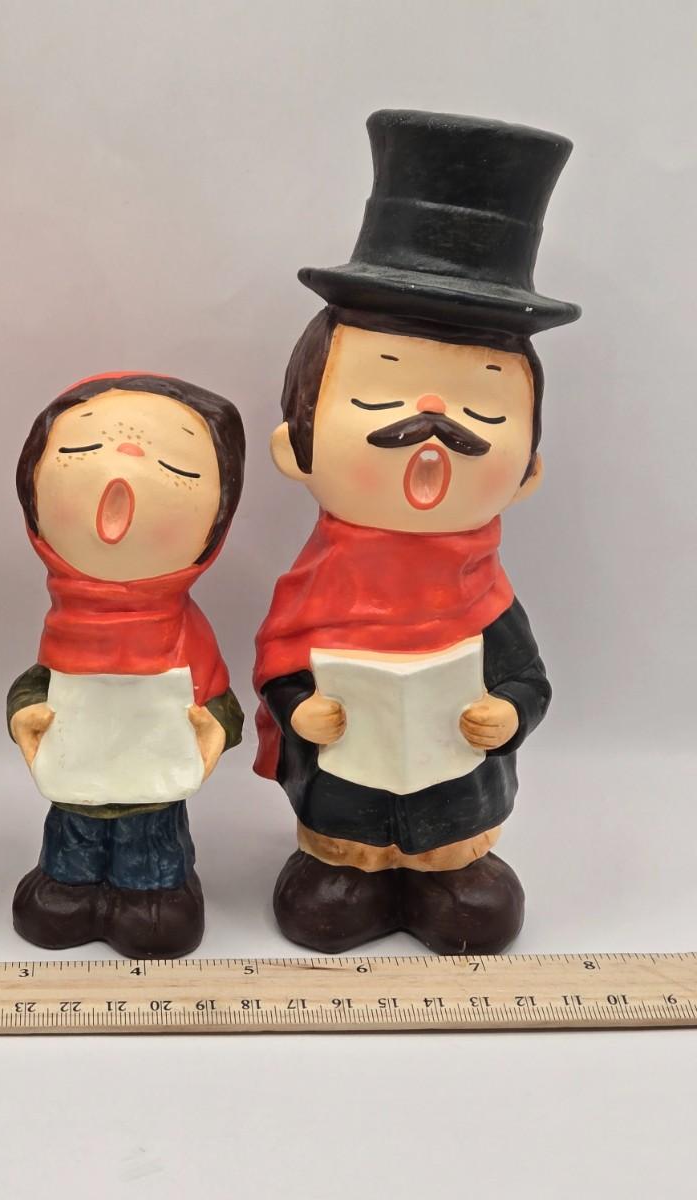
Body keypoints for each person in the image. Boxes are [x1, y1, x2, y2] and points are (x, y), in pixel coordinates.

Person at [254, 111, 581, 955]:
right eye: (378, 393)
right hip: (347, 786)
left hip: (453, 788)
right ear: (296, 447)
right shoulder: (318, 587)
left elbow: (528, 677)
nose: (434, 425)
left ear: (528, 470)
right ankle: (347, 867)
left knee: (475, 908)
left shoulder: (486, 598)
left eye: (484, 409)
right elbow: (283, 667)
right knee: (326, 901)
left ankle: (446, 871)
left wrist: (506, 713)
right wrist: (302, 710)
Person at [8, 374, 245, 958]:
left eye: (178, 467)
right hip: (76, 776)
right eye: (85, 447)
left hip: (153, 784)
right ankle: (68, 882)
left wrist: (213, 729)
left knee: (154, 882)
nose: (128, 458)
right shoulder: (63, 626)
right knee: (68, 855)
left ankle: (153, 891)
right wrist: (25, 715)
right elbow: (38, 684)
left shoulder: (185, 636)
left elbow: (219, 701)